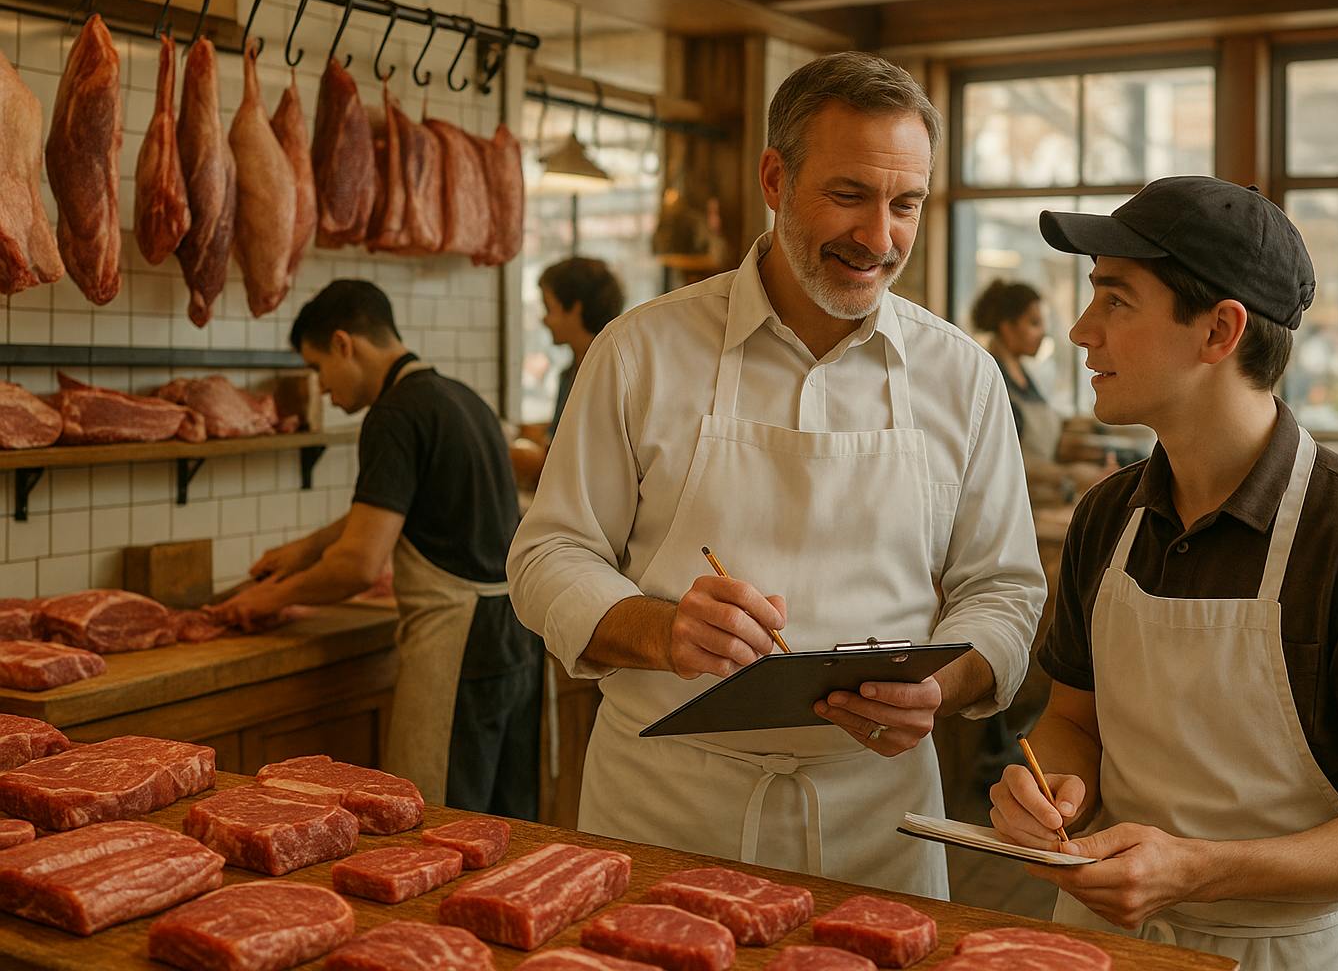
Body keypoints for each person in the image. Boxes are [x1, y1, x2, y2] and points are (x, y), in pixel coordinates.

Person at [507, 51, 1046, 899]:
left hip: (882, 823)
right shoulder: (640, 351)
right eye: (848, 194)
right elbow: (548, 557)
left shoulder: (963, 376)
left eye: (905, 204)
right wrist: (660, 629)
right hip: (667, 807)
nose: (879, 237)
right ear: (774, 176)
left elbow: (1006, 592)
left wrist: (940, 685)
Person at [988, 177, 1338, 970]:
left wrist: (1197, 871)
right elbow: (1073, 720)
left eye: (1115, 300)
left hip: (1277, 953)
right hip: (1099, 940)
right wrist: (1050, 788)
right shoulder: (1109, 517)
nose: (1080, 330)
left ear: (1219, 331)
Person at [212, 280, 544, 817]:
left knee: (438, 825)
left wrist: (267, 600)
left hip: (457, 644)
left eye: (318, 368)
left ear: (345, 343)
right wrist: (309, 546)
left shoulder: (393, 414)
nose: (321, 389)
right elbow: (399, 505)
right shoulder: (459, 398)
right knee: (506, 826)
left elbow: (359, 566)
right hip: (517, 637)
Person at [513, 258, 626, 487]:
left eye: (548, 308)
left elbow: (589, 463)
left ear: (575, 307)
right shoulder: (570, 373)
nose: (544, 319)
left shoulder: (612, 373)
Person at [970, 278, 1062, 468]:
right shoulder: (990, 378)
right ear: (1008, 327)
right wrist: (1068, 476)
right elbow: (1001, 462)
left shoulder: (1025, 375)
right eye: (1035, 323)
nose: (1044, 333)